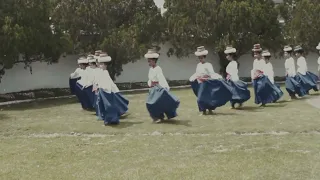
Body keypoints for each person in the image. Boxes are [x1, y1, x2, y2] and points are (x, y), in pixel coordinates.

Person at [189, 46, 232, 115]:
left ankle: (210, 110)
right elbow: (197, 73)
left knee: (208, 97)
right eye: (199, 58)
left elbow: (211, 73)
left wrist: (216, 77)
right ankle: (203, 111)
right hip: (200, 83)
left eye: (202, 57)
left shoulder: (208, 65)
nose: (200, 59)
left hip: (206, 83)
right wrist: (194, 78)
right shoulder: (198, 65)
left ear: (204, 57)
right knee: (200, 99)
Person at [145, 48, 180, 123]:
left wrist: (164, 87)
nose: (148, 62)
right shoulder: (151, 69)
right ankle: (157, 117)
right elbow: (150, 79)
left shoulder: (158, 69)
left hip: (158, 88)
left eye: (150, 61)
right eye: (148, 60)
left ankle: (159, 117)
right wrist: (150, 83)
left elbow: (161, 78)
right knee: (150, 103)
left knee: (158, 102)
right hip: (153, 88)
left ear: (154, 60)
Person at [94, 53, 129, 125]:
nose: (99, 65)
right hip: (102, 90)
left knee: (109, 106)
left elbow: (108, 83)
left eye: (101, 64)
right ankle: (107, 119)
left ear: (104, 65)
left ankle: (112, 119)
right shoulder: (101, 72)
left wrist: (108, 91)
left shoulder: (105, 72)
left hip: (106, 91)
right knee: (102, 105)